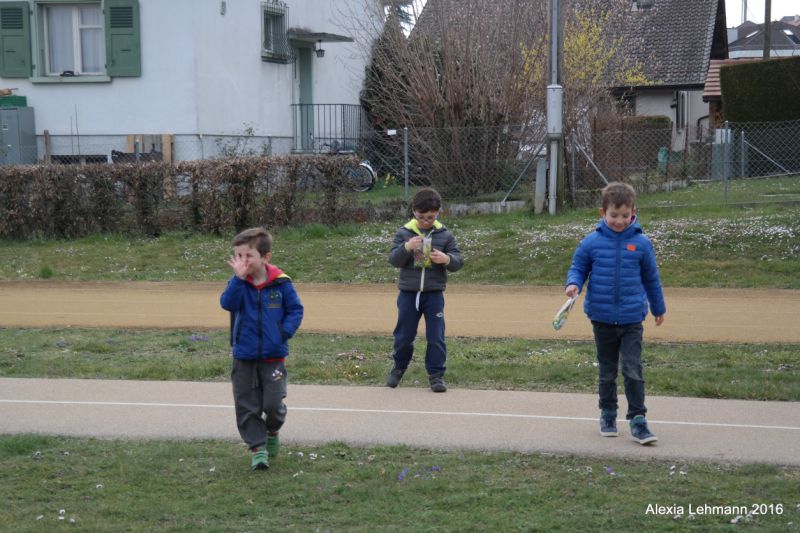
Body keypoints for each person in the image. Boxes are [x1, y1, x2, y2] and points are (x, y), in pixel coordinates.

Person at [564, 182, 666, 445]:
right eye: (614, 215)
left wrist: (658, 307)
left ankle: (638, 420)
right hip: (602, 318)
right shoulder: (591, 242)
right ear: (603, 213)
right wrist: (573, 284)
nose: (619, 221)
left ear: (633, 213)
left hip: (632, 319)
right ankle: (608, 414)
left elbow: (651, 278)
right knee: (607, 371)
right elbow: (578, 268)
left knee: (633, 369)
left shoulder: (642, 244)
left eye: (625, 215)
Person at [220, 227, 304, 470]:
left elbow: (295, 310)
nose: (242, 261)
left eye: (248, 256)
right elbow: (227, 303)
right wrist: (237, 279)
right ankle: (257, 449)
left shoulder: (281, 283)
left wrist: (282, 333)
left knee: (273, 404)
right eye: (238, 256)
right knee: (246, 404)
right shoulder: (238, 283)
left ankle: (272, 430)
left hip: (273, 356)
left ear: (265, 257)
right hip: (244, 355)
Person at [387, 188, 463, 392]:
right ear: (414, 211)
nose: (426, 221)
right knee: (403, 336)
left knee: (436, 337)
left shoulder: (445, 235)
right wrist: (406, 248)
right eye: (421, 217)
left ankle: (436, 375)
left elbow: (458, 261)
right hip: (408, 294)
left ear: (438, 212)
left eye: (430, 217)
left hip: (433, 294)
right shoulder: (404, 233)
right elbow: (393, 260)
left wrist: (447, 259)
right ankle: (398, 368)